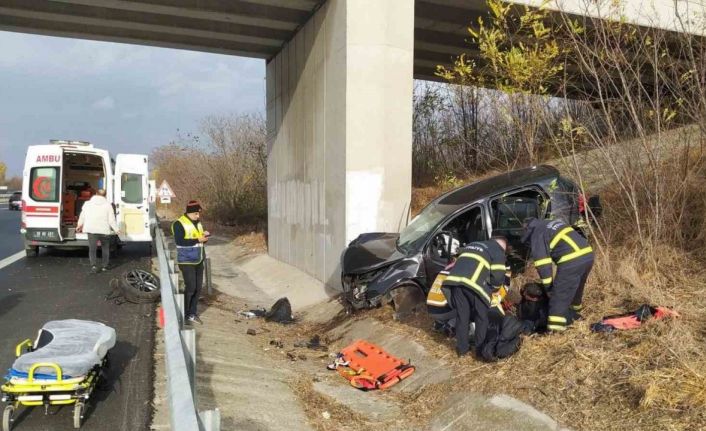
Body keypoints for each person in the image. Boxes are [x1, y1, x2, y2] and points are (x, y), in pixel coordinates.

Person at [441, 237, 521, 360]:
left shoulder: (473, 243)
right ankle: (479, 352)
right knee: (481, 318)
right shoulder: (497, 250)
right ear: (502, 245)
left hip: (455, 283)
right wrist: (492, 289)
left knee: (462, 317)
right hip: (474, 286)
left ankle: (462, 350)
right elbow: (498, 277)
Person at [521, 218, 594, 332]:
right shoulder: (548, 224)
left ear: (527, 229)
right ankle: (575, 316)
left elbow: (543, 265)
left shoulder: (537, 233)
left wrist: (549, 288)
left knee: (558, 297)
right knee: (576, 289)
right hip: (587, 255)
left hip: (571, 259)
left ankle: (556, 331)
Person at [172, 200, 210, 325]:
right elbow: (180, 242)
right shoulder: (178, 224)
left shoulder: (198, 223)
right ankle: (184, 313)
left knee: (198, 288)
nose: (198, 216)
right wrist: (197, 239)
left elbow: (198, 240)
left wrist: (204, 237)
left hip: (198, 259)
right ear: (189, 213)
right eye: (196, 214)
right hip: (186, 260)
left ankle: (192, 314)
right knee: (191, 288)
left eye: (199, 214)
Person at [77, 189, 119, 273]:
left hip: (91, 229)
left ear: (96, 194)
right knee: (105, 248)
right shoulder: (108, 205)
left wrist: (79, 225)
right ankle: (104, 266)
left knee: (92, 249)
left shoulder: (87, 204)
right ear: (105, 195)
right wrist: (116, 229)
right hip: (103, 230)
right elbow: (111, 220)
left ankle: (93, 266)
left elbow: (82, 216)